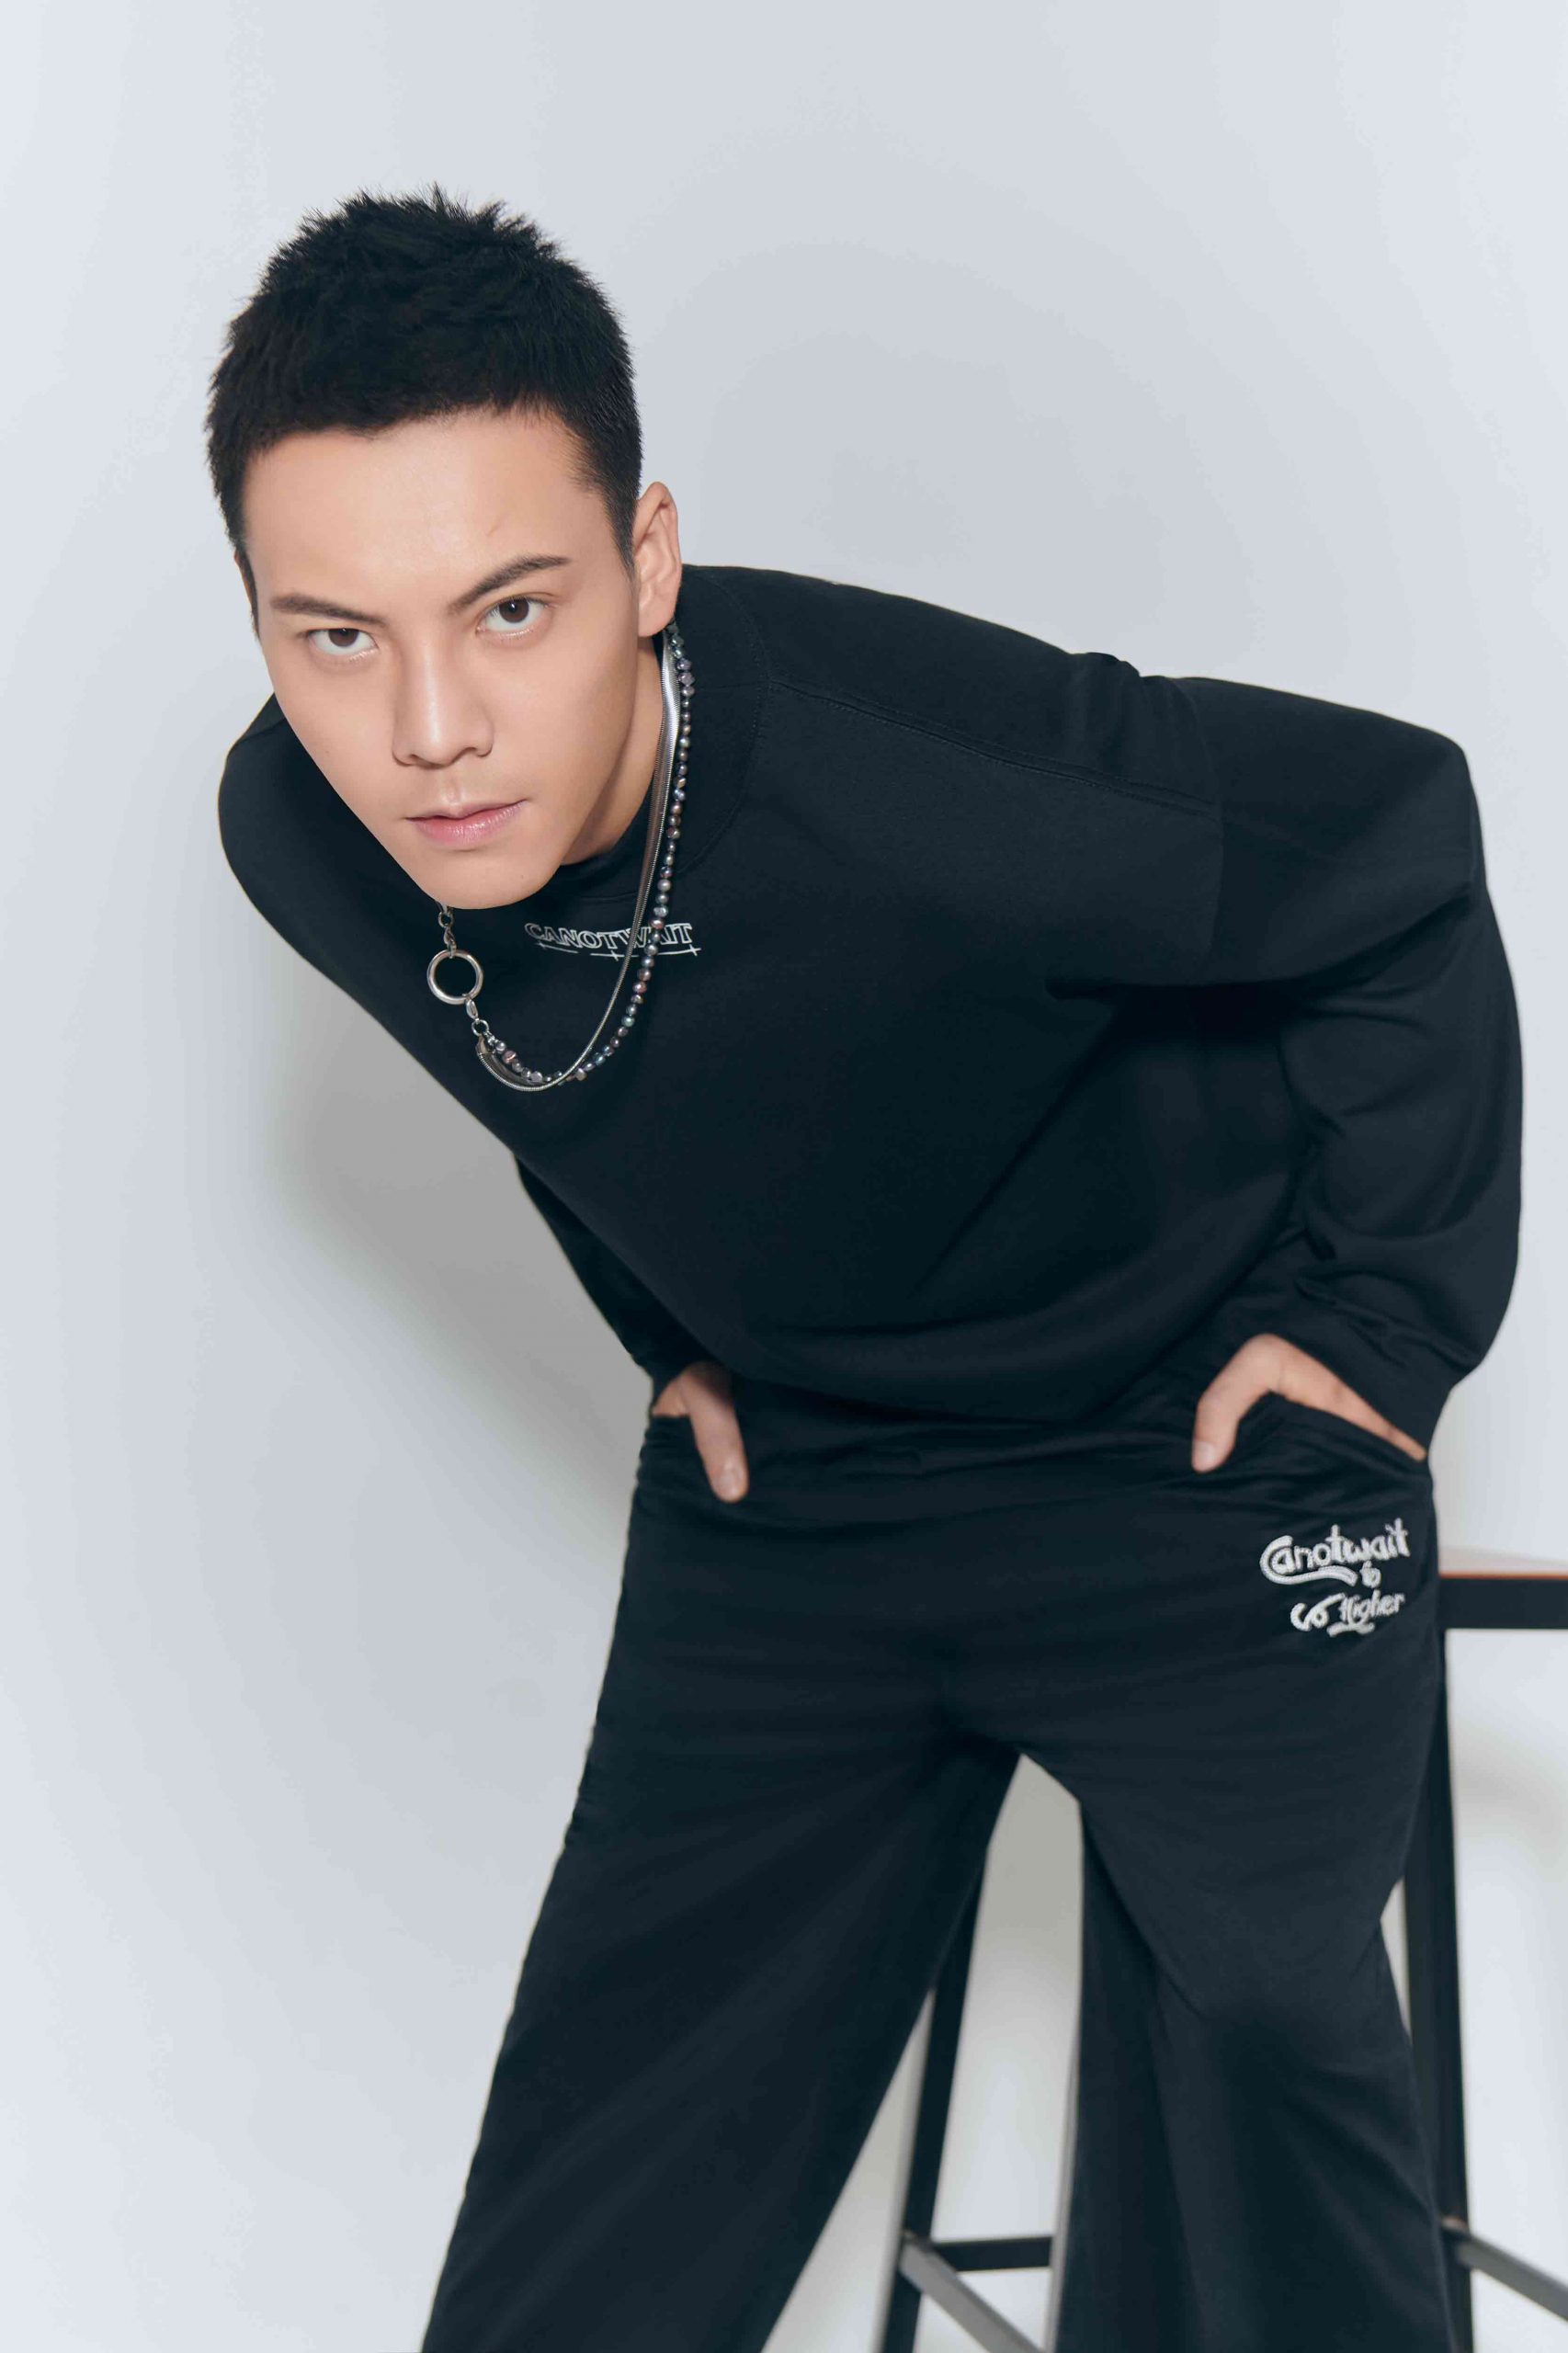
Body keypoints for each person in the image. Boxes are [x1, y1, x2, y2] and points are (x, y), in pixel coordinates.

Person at [205, 182, 1523, 2353]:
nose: (427, 726)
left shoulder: (936, 776)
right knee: (610, 2163)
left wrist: (1377, 1320)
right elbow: (557, 1070)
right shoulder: (302, 835)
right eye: (334, 634)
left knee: (1262, 2069)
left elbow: (1393, 838)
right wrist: (682, 1331)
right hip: (808, 1492)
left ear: (645, 561)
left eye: (510, 609)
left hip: (1194, 1454)